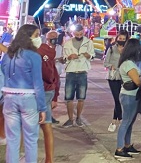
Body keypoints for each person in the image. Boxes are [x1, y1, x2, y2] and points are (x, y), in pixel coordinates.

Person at [1, 24, 46, 163]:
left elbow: (3, 76)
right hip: (28, 99)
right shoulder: (33, 56)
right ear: (28, 37)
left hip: (9, 98)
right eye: (36, 35)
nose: (39, 39)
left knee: (12, 139)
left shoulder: (8, 55)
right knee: (31, 139)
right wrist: (42, 108)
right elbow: (38, 83)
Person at [115, 38, 141, 160]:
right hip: (129, 96)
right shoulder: (128, 64)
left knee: (129, 122)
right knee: (126, 121)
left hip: (131, 95)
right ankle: (119, 149)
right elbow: (137, 81)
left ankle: (127, 145)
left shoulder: (129, 62)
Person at [62, 24, 95, 128]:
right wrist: (69, 57)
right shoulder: (67, 43)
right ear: (73, 33)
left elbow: (92, 55)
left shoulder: (88, 42)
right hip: (71, 72)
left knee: (81, 97)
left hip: (82, 72)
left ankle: (79, 118)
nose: (79, 35)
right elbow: (63, 58)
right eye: (77, 34)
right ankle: (70, 119)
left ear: (84, 32)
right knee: (69, 98)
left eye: (81, 33)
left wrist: (88, 55)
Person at [38, 30, 61, 163]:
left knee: (33, 128)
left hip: (44, 90)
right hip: (45, 90)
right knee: (45, 126)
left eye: (55, 37)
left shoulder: (44, 50)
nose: (53, 39)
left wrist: (55, 96)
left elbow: (50, 74)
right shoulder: (41, 50)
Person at [104, 31, 129, 132]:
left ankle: (114, 121)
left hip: (124, 77)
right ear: (117, 38)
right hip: (113, 77)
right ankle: (121, 120)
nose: (121, 41)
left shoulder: (128, 50)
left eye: (124, 39)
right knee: (117, 99)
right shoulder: (111, 49)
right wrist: (111, 66)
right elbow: (105, 63)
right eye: (120, 38)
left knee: (121, 99)